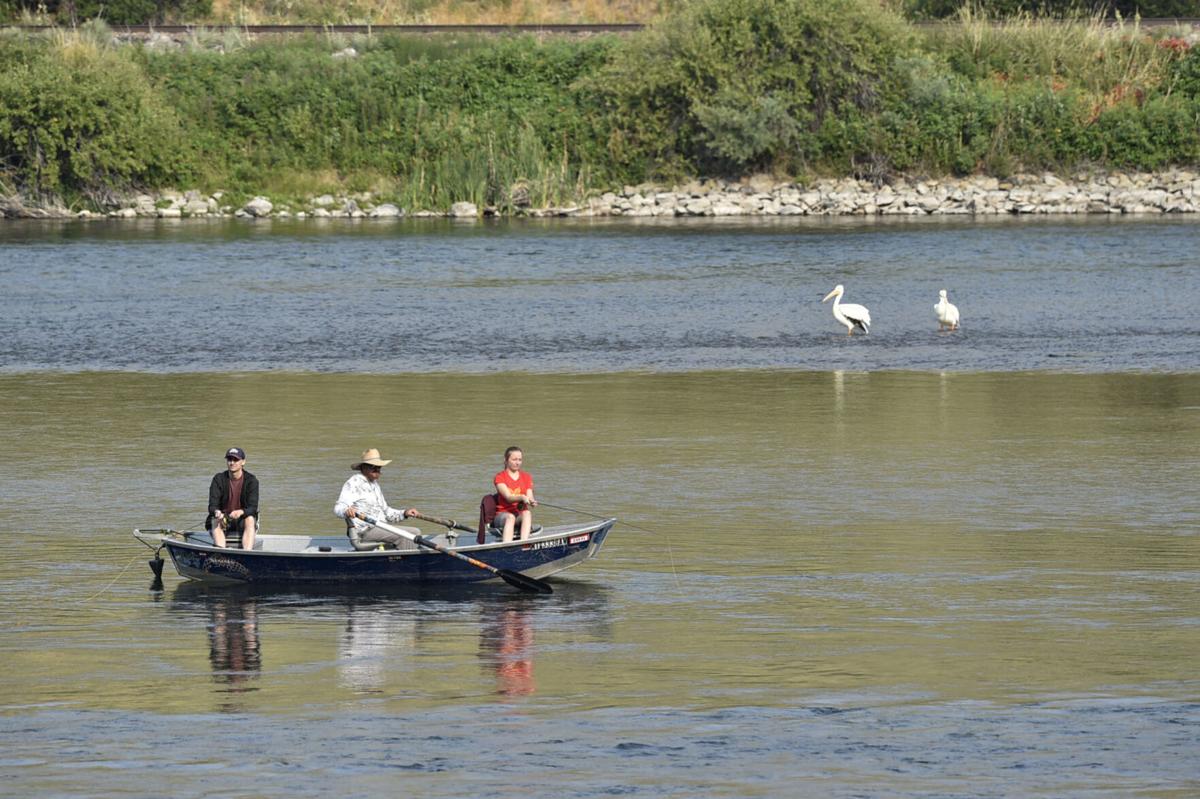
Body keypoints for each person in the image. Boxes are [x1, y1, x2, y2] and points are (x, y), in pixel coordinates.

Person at [334, 448, 422, 550]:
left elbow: (387, 513)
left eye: (379, 466)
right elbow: (338, 508)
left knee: (415, 532)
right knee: (411, 534)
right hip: (365, 531)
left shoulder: (374, 485)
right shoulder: (354, 483)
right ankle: (406, 562)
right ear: (363, 467)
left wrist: (404, 513)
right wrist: (347, 511)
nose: (377, 469)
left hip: (381, 527)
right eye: (373, 466)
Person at [206, 446, 259, 550]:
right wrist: (217, 512)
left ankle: (247, 553)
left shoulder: (252, 481)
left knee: (250, 519)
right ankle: (221, 553)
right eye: (229, 459)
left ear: (243, 462)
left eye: (236, 460)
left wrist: (240, 512)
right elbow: (212, 506)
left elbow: (253, 508)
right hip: (223, 519)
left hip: (242, 520)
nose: (232, 463)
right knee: (215, 520)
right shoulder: (218, 479)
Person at [493, 445, 537, 542]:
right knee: (510, 517)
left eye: (520, 460)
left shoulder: (526, 477)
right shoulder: (500, 477)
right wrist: (521, 497)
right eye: (514, 459)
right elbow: (508, 497)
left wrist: (531, 501)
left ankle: (524, 543)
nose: (517, 463)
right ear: (506, 460)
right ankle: (507, 546)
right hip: (503, 516)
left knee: (527, 513)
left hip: (519, 515)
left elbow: (529, 495)